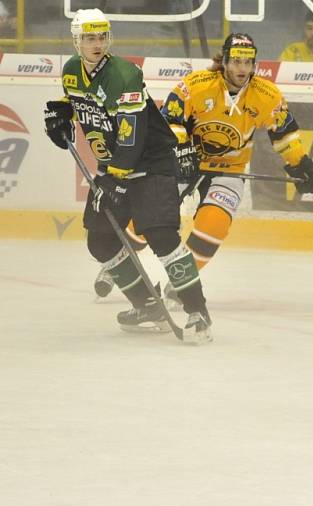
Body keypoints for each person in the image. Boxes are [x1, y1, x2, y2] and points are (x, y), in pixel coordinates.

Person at [93, 32, 313, 307]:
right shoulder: (197, 85)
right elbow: (169, 120)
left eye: (248, 62)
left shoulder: (266, 95)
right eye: (236, 61)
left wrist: (301, 166)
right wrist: (182, 151)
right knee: (151, 216)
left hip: (229, 169)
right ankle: (119, 262)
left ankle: (181, 283)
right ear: (224, 61)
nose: (242, 68)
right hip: (180, 163)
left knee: (214, 223)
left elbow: (285, 135)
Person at [43, 8, 212, 342]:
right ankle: (147, 305)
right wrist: (63, 111)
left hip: (150, 164)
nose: (97, 43)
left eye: (102, 36)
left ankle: (198, 312)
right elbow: (81, 100)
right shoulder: (72, 71)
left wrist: (116, 178)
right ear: (77, 40)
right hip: (113, 168)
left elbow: (132, 133)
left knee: (160, 236)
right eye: (89, 37)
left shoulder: (125, 74)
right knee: (101, 241)